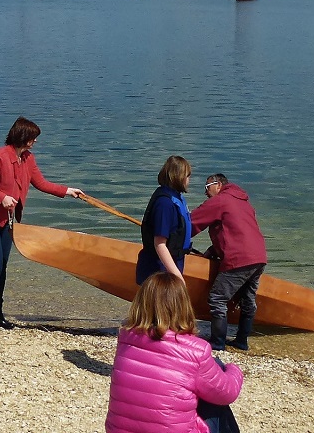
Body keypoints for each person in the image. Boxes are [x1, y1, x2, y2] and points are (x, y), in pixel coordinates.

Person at [0, 116, 83, 330]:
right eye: (33, 137)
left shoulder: (28, 158)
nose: (35, 141)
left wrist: (68, 191)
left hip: (6, 220)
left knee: (2, 267)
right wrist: (0, 197)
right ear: (23, 136)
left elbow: (41, 183)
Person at [106, 272, 243, 433]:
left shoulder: (126, 339)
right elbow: (227, 393)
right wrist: (234, 369)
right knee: (216, 397)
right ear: (183, 306)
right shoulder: (196, 350)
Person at [190, 173, 267, 351]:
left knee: (217, 298)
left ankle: (217, 343)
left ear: (217, 185)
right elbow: (233, 232)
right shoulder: (243, 203)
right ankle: (241, 341)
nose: (206, 193)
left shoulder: (221, 200)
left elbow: (193, 221)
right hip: (259, 257)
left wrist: (174, 238)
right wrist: (211, 251)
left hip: (239, 258)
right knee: (247, 300)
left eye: (207, 187)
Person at [136, 156, 193, 284]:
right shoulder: (165, 204)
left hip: (173, 262)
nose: (189, 180)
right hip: (159, 271)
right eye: (188, 176)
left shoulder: (176, 198)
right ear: (179, 176)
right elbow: (159, 244)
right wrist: (177, 276)